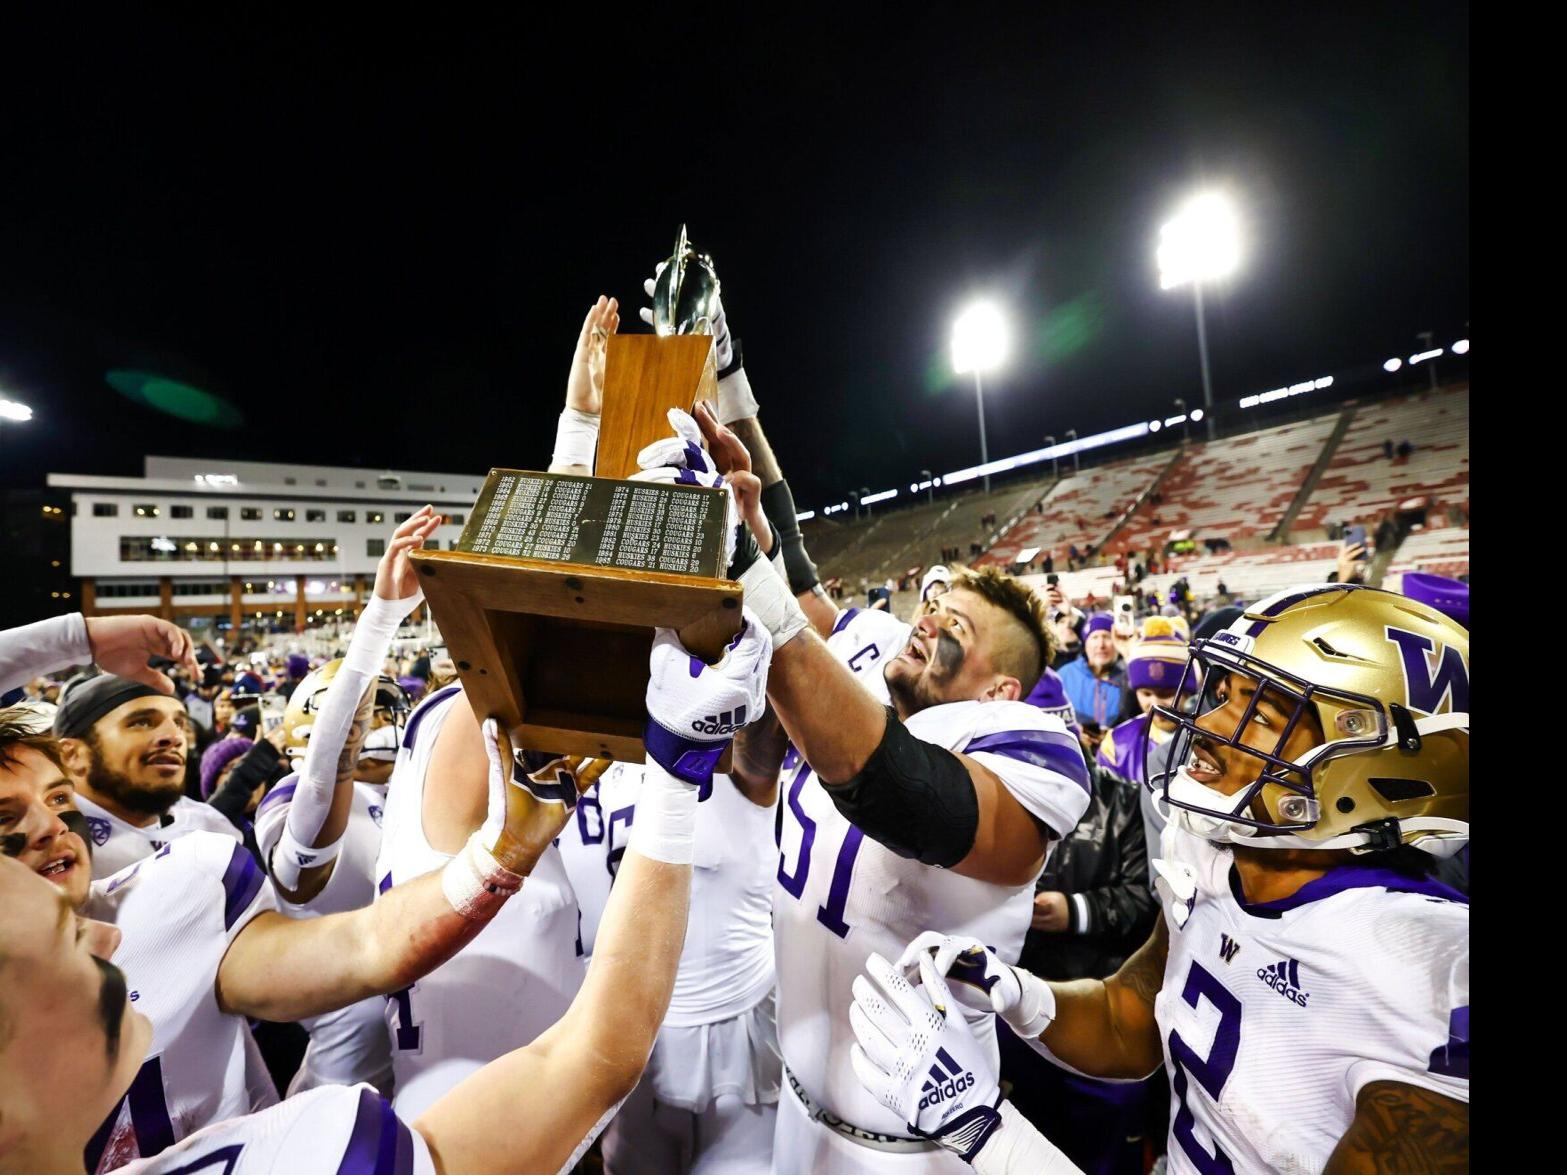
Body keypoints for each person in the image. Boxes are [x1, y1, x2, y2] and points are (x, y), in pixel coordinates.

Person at [0, 610, 772, 1174]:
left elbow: (370, 943)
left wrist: (504, 848)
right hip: (382, 1072)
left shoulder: (181, 871)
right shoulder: (296, 1153)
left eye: (59, 806)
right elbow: (588, 1058)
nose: (105, 937)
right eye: (9, 829)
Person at [873, 584, 1469, 1172]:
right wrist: (1017, 994)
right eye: (1221, 693)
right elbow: (1128, 1018)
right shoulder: (1218, 860)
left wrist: (979, 1128)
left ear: (1371, 765)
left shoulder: (1432, 971)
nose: (1208, 721)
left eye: (1257, 712)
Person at [673, 405, 1091, 1173]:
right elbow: (789, 565)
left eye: (953, 625)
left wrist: (744, 561)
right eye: (929, 607)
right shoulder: (864, 655)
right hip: (793, 1103)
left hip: (913, 1145)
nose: (924, 622)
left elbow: (896, 790)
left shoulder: (1025, 749)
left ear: (999, 688)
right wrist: (734, 402)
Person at [53, 673, 242, 877]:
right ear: (73, 755)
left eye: (179, 723)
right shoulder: (43, 851)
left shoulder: (211, 827)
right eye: (142, 722)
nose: (175, 737)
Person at [1096, 617, 1190, 785]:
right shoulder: (1117, 744)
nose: (1155, 704)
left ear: (1189, 692)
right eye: (1146, 694)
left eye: (1166, 693)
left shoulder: (1215, 742)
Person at [1058, 614, 1125, 739]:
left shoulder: (1129, 678)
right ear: (1085, 644)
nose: (1101, 645)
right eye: (1094, 637)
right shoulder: (1065, 675)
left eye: (1107, 637)